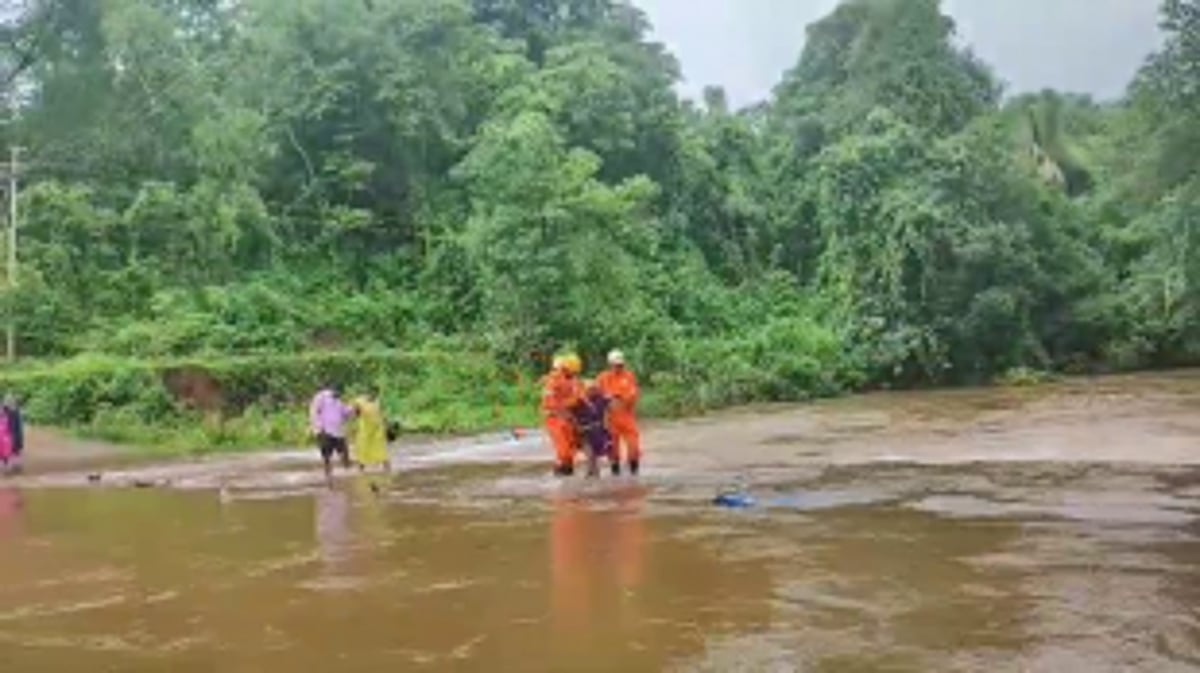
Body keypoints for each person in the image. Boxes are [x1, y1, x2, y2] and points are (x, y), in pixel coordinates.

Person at [597, 350, 642, 476]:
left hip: (627, 416)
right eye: (616, 365)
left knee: (634, 447)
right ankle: (615, 476)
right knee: (613, 450)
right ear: (610, 364)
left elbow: (633, 394)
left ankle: (634, 474)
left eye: (620, 365)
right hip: (610, 418)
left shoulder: (629, 376)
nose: (619, 367)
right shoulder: (603, 378)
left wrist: (618, 396)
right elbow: (597, 396)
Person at [542, 354, 584, 477]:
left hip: (569, 419)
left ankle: (567, 476)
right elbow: (549, 401)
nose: (573, 375)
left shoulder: (575, 381)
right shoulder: (553, 380)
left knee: (572, 450)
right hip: (554, 420)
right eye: (572, 372)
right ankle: (558, 478)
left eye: (575, 373)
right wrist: (562, 409)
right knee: (563, 451)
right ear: (565, 369)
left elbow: (579, 398)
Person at [310, 383, 355, 485]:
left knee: (345, 453)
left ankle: (348, 474)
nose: (339, 395)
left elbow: (345, 413)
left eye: (340, 393)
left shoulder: (339, 401)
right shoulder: (321, 397)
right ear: (332, 389)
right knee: (327, 456)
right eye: (337, 392)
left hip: (338, 432)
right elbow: (313, 412)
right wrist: (319, 428)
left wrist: (353, 410)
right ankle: (328, 477)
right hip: (325, 431)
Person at [571, 381, 614, 478]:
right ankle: (592, 474)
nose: (593, 391)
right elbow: (570, 413)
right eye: (590, 389)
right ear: (585, 390)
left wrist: (609, 418)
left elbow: (613, 404)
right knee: (590, 455)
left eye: (594, 389)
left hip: (598, 432)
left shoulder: (602, 399)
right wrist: (577, 426)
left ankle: (595, 473)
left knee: (603, 453)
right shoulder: (578, 401)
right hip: (584, 432)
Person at [350, 388, 391, 473]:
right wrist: (353, 426)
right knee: (362, 449)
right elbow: (355, 414)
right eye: (372, 394)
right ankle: (360, 469)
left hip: (377, 429)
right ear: (367, 393)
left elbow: (382, 414)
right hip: (365, 429)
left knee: (381, 449)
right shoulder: (359, 402)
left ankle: (387, 469)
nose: (373, 396)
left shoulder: (378, 402)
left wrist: (387, 425)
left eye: (375, 394)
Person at [4, 395, 23, 475]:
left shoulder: (13, 411)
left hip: (12, 434)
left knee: (11, 450)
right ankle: (15, 465)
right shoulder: (15, 411)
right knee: (15, 450)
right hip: (15, 433)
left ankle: (11, 466)